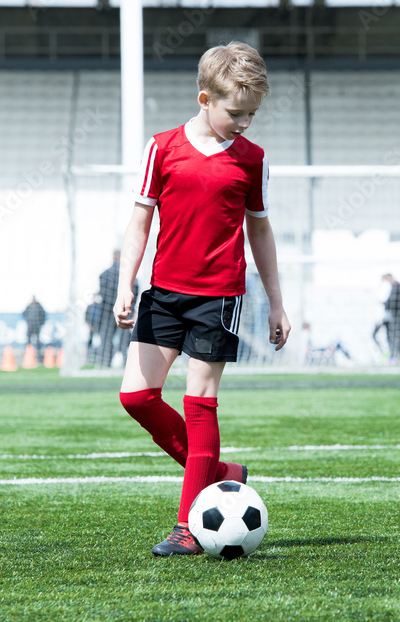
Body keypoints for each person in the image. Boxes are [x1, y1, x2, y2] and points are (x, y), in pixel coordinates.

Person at [113, 42, 290, 556]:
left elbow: (260, 232)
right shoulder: (162, 148)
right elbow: (140, 222)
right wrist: (127, 283)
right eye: (236, 113)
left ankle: (189, 527)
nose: (245, 124)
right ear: (204, 97)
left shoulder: (252, 161)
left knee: (199, 404)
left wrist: (277, 303)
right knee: (136, 396)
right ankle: (219, 472)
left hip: (220, 296)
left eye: (253, 114)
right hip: (164, 293)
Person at [98, 251, 138, 368]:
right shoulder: (130, 276)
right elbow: (135, 288)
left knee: (106, 336)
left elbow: (102, 293)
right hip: (125, 310)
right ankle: (124, 360)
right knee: (124, 337)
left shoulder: (104, 274)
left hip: (109, 310)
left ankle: (105, 362)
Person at [381, 273, 400, 363]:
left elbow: (395, 302)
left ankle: (399, 357)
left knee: (398, 337)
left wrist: (385, 304)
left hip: (398, 317)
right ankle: (393, 356)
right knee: (391, 337)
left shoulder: (399, 287)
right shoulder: (393, 287)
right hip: (391, 317)